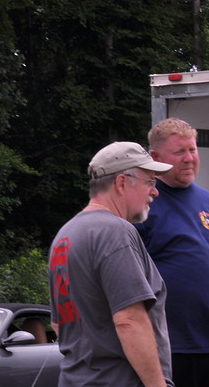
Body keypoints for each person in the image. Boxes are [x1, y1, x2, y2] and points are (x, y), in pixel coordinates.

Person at [48, 141, 174, 387]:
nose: (155, 191)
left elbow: (58, 323)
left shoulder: (64, 236)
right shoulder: (114, 231)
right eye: (150, 181)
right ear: (122, 183)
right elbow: (129, 320)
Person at [136, 117, 209, 387]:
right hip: (171, 348)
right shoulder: (143, 205)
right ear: (155, 156)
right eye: (179, 152)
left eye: (193, 150)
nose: (189, 158)